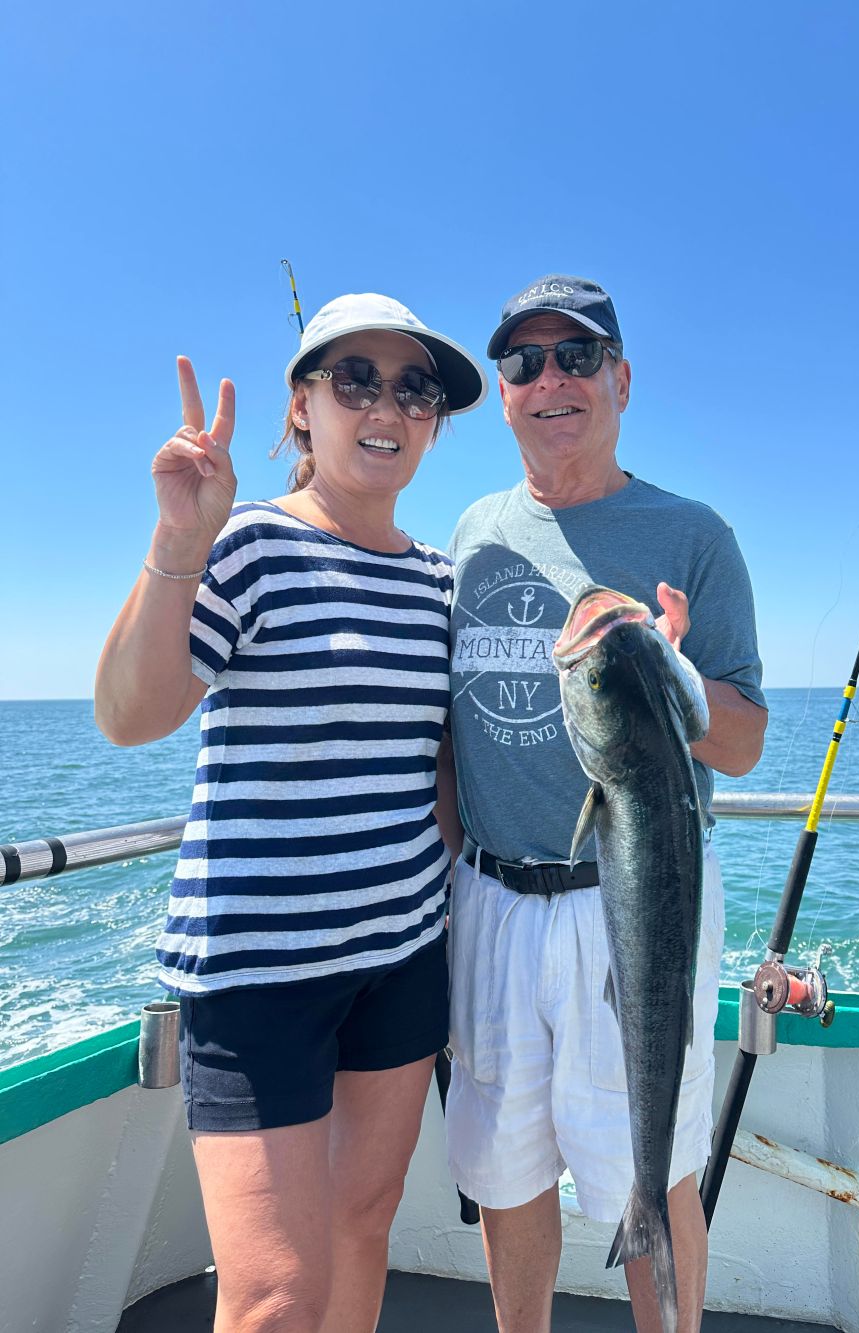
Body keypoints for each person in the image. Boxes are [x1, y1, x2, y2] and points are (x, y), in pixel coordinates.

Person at [95, 293, 485, 1333]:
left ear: (434, 419)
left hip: (399, 959)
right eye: (354, 377)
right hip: (256, 970)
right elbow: (132, 716)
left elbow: (440, 773)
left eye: (414, 386)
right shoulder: (250, 544)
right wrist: (181, 541)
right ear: (303, 405)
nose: (386, 403)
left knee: (364, 1223)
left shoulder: (443, 585)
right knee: (271, 1295)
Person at [444, 274, 767, 1333]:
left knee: (656, 1163)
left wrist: (670, 676)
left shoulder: (692, 535)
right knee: (503, 1170)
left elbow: (748, 740)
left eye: (575, 357)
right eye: (524, 362)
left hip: (633, 889)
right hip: (488, 894)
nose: (550, 381)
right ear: (501, 394)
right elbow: (448, 734)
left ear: (620, 380)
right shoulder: (472, 534)